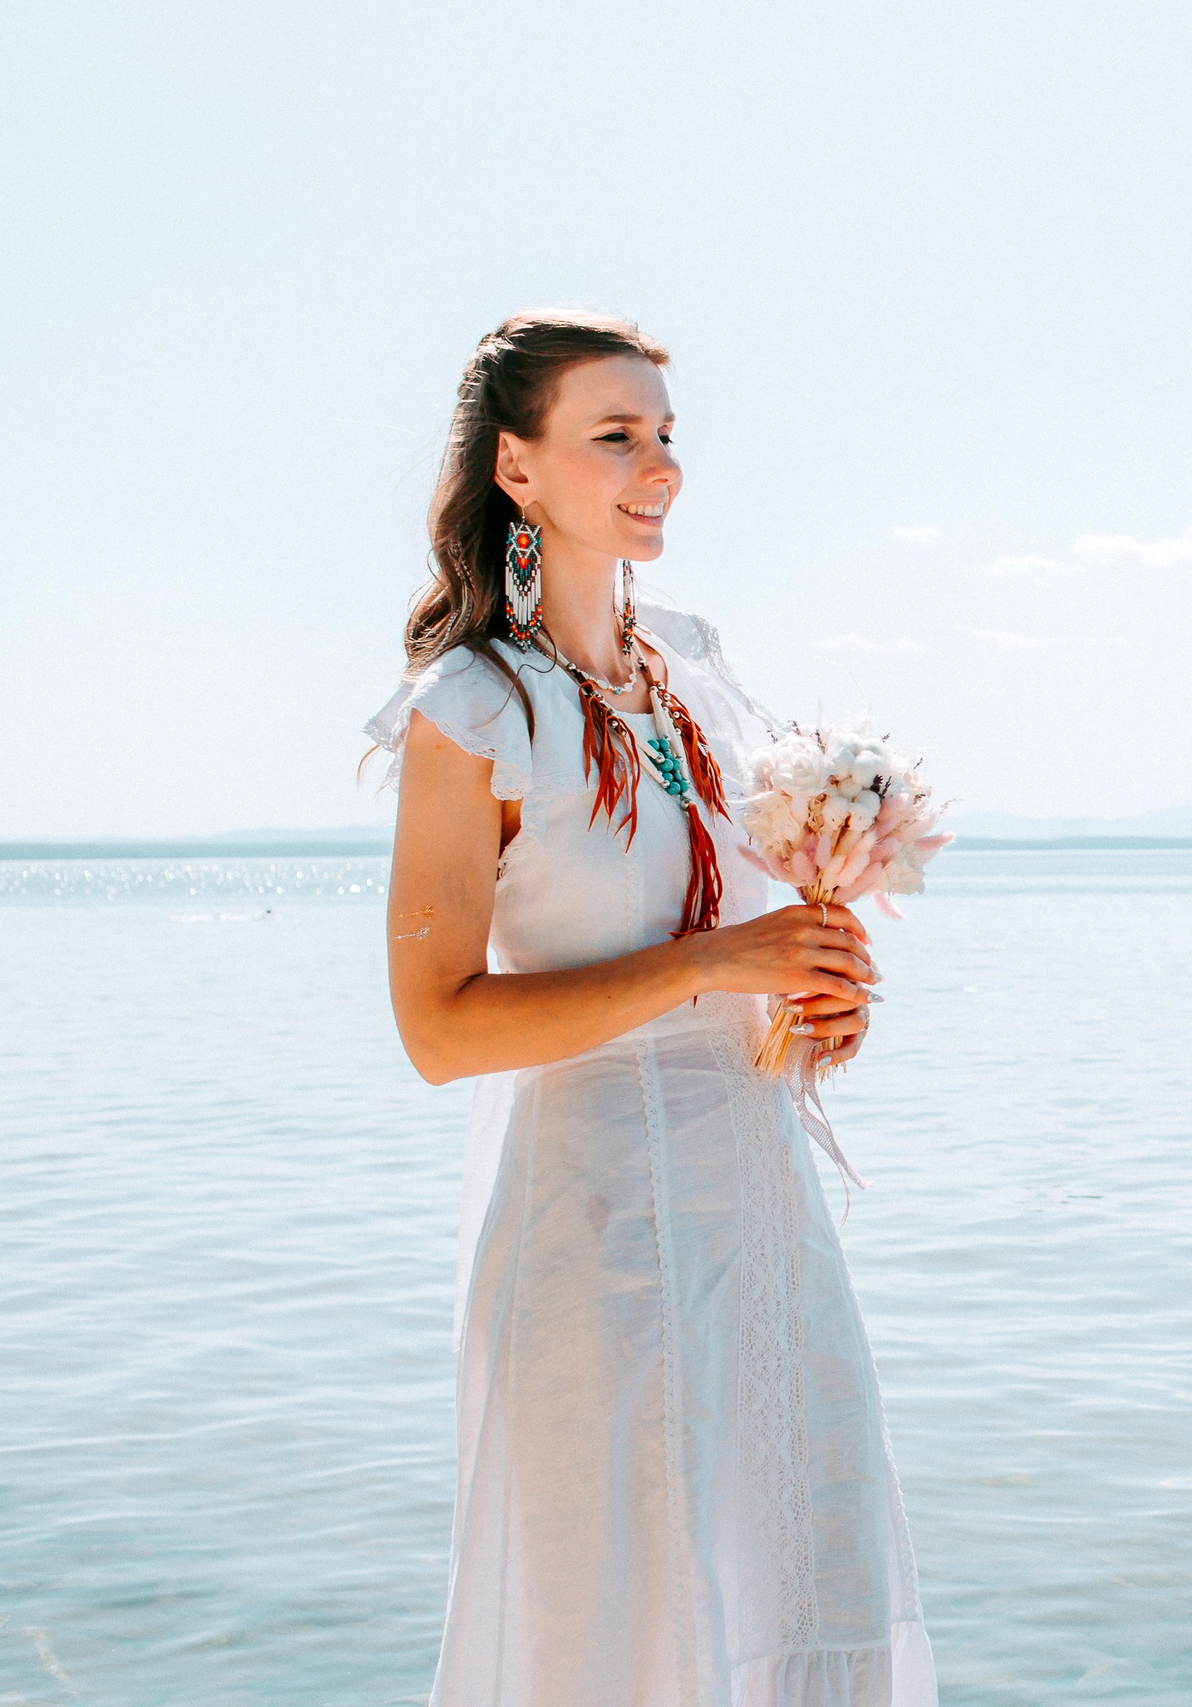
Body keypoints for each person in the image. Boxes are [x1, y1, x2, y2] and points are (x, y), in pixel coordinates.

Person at [365, 309, 935, 1706]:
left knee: (814, 1573)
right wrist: (709, 967)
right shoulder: (474, 708)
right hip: (592, 1232)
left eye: (666, 435)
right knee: (617, 1624)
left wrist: (809, 1003)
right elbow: (439, 1029)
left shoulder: (697, 671)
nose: (658, 466)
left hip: (760, 1214)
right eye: (615, 436)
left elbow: (740, 950)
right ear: (517, 466)